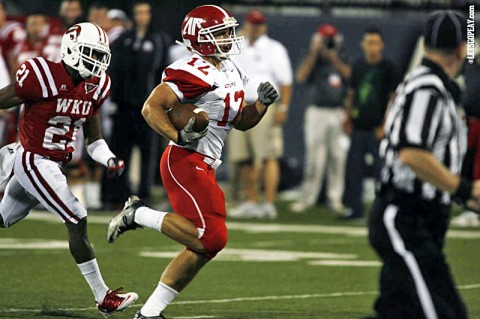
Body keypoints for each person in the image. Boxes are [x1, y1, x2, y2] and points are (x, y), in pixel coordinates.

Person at [106, 5, 278, 318]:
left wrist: (262, 105)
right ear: (201, 39)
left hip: (205, 162)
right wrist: (176, 134)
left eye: (227, 30)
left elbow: (240, 121)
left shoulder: (229, 68)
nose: (228, 37)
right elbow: (151, 108)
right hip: (184, 160)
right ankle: (138, 214)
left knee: (205, 245)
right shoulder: (189, 70)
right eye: (220, 33)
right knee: (212, 237)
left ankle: (149, 313)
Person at [0, 22, 137, 315]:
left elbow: (94, 139)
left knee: (3, 219)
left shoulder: (97, 85)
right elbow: (4, 98)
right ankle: (104, 298)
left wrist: (110, 159)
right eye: (90, 53)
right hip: (33, 159)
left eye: (101, 55)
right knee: (77, 216)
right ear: (71, 48)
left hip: (52, 165)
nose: (97, 62)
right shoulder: (41, 74)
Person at [366, 11, 474, 319]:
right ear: (461, 49)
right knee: (446, 313)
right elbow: (412, 154)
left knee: (401, 312)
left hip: (422, 216)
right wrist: (463, 190)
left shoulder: (431, 85)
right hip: (406, 216)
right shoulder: (428, 88)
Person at [105, 0, 172, 207]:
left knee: (147, 154)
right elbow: (113, 69)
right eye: (138, 13)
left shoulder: (159, 40)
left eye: (145, 13)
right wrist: (114, 99)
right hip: (124, 107)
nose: (142, 17)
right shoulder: (123, 40)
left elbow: (163, 73)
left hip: (148, 108)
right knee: (118, 152)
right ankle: (116, 196)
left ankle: (144, 196)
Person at [228, 9, 293, 219]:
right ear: (247, 24)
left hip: (265, 105)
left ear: (263, 26)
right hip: (239, 104)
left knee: (267, 155)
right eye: (252, 23)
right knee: (243, 157)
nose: (255, 27)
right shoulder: (237, 45)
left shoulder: (275, 48)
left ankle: (269, 203)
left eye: (259, 24)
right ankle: (252, 201)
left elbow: (285, 81)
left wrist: (283, 107)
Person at [291, 23, 351, 213]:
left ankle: (335, 199)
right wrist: (314, 53)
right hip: (317, 112)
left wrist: (333, 57)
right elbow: (300, 76)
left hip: (338, 112)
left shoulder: (342, 57)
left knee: (338, 158)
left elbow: (350, 76)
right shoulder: (313, 60)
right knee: (314, 158)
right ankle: (308, 198)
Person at [342, 27, 398, 220]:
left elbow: (393, 98)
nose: (371, 47)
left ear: (381, 45)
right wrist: (347, 117)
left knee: (381, 170)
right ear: (362, 45)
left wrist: (385, 125)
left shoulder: (388, 68)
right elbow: (352, 93)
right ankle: (354, 208)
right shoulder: (358, 66)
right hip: (359, 126)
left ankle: (383, 208)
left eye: (375, 43)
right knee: (353, 170)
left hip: (377, 128)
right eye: (368, 42)